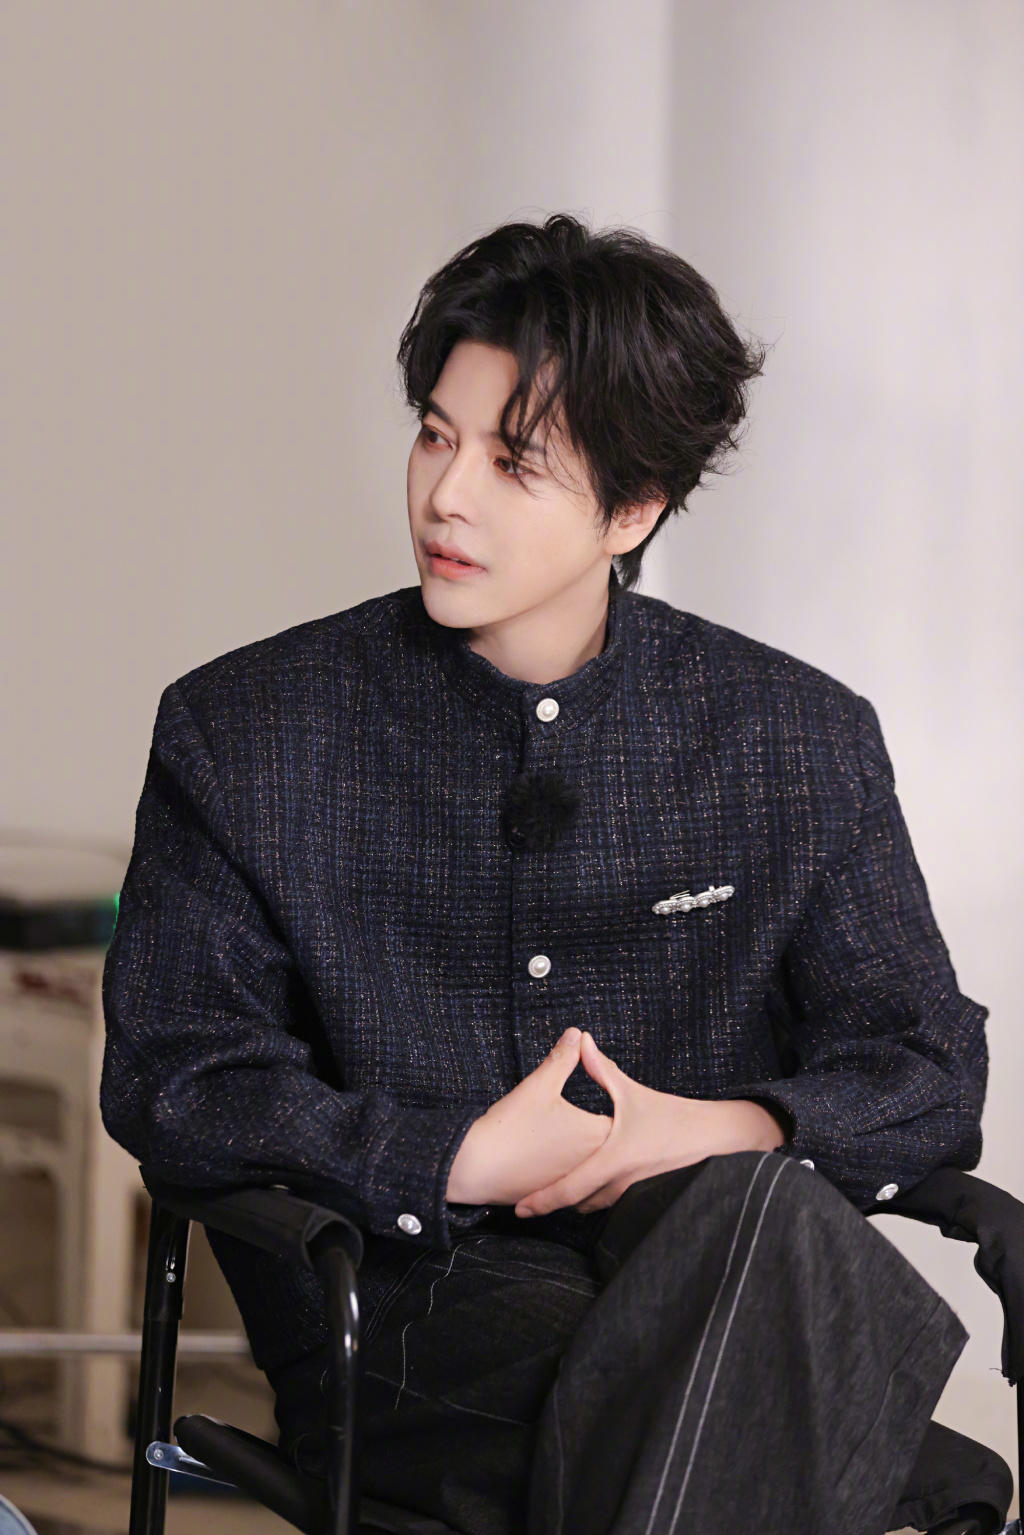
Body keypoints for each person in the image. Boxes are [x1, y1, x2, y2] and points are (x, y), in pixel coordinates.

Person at [101, 214, 989, 1534]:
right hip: (402, 1316)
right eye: (435, 435)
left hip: (716, 1281)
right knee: (814, 1380)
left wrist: (712, 1127)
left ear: (634, 508)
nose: (445, 496)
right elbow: (177, 1079)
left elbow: (927, 1062)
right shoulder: (249, 731)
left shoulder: (793, 738)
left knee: (759, 1231)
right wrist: (455, 1153)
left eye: (513, 462)